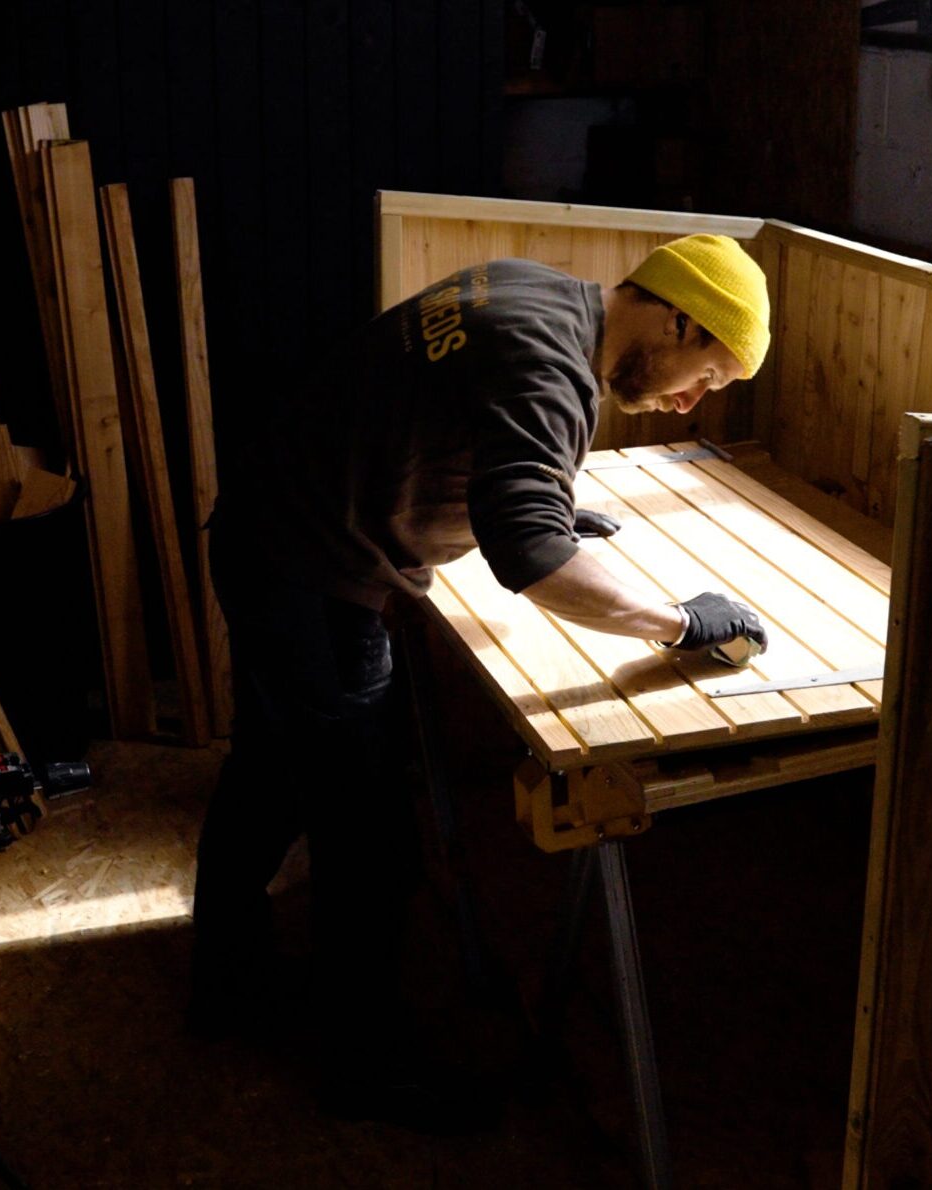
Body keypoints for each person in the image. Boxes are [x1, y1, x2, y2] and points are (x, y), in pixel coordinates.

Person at [191, 234, 772, 1131]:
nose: (689, 402)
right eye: (708, 372)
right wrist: (681, 622)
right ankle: (364, 1074)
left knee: (268, 770)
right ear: (677, 315)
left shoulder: (528, 290)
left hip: (266, 530)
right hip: (316, 572)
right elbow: (534, 560)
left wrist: (531, 487)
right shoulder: (554, 371)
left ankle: (222, 979)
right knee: (371, 842)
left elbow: (440, 411)